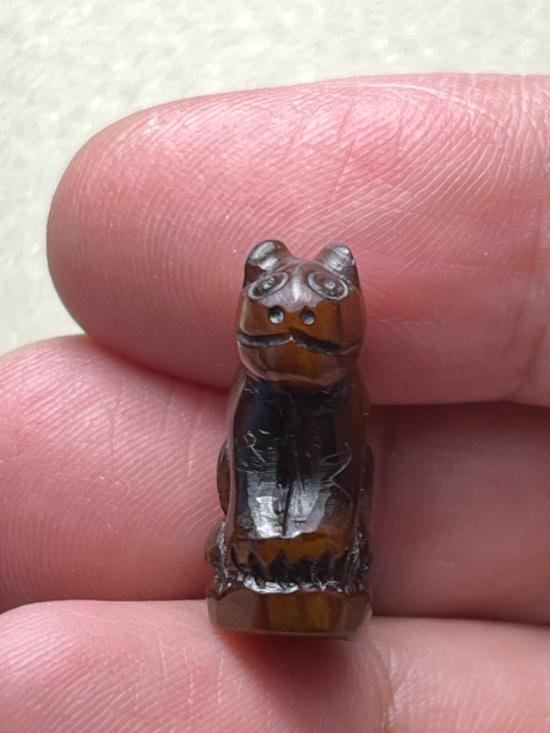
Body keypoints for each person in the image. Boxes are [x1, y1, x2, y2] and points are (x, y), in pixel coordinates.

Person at [0, 74, 549, 732]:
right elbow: (250, 470)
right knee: (257, 480)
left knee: (329, 489)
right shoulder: (253, 385)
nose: (296, 315)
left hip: (332, 549)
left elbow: (340, 476)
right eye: (274, 301)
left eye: (322, 299)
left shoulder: (348, 390)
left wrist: (319, 534)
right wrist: (261, 531)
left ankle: (306, 565)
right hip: (258, 541)